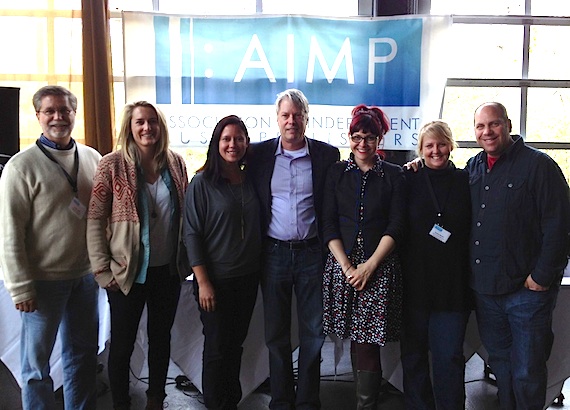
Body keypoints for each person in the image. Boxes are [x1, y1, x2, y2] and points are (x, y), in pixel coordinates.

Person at [0, 85, 101, 409]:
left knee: (82, 358)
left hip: (85, 279)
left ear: (74, 114)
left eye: (65, 110)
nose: (58, 117)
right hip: (42, 284)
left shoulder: (91, 158)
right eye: (50, 111)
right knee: (35, 367)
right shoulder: (20, 167)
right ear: (38, 116)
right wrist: (19, 287)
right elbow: (10, 232)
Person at [466, 102, 570, 410]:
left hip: (527, 294)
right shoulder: (473, 167)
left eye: (494, 124)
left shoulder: (539, 166)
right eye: (481, 126)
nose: (487, 132)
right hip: (486, 290)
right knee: (501, 365)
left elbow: (559, 226)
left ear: (508, 125)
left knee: (527, 371)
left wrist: (541, 277)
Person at [87, 101, 188, 410]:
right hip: (127, 271)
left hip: (166, 271)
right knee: (122, 345)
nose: (147, 128)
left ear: (161, 127)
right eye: (140, 122)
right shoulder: (111, 164)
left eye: (153, 122)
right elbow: (94, 219)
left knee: (160, 341)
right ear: (129, 127)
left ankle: (156, 398)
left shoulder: (176, 163)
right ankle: (121, 403)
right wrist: (102, 271)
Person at [247, 89, 340, 410]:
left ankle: (308, 400)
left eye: (297, 115)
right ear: (277, 119)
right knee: (276, 334)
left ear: (306, 119)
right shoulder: (258, 155)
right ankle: (282, 399)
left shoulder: (328, 156)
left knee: (314, 333)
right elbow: (221, 166)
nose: (291, 121)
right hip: (272, 254)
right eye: (285, 115)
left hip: (312, 255)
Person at [321, 104, 405, 410]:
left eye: (369, 137)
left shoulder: (394, 175)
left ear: (380, 138)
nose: (362, 143)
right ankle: (362, 398)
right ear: (349, 137)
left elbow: (397, 224)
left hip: (378, 268)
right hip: (342, 265)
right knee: (354, 337)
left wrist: (369, 266)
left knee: (368, 340)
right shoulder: (336, 173)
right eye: (356, 136)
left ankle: (366, 405)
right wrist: (347, 267)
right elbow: (327, 222)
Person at [183, 115, 261, 410]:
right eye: (226, 139)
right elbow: (191, 234)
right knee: (217, 349)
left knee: (235, 347)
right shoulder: (201, 183)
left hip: (247, 278)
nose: (233, 145)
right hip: (214, 281)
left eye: (239, 139)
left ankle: (231, 402)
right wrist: (203, 282)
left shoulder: (250, 179)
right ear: (216, 144)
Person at [400, 120, 472, 409]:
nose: (436, 150)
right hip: (414, 285)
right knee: (414, 358)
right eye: (429, 146)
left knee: (449, 358)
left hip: (452, 288)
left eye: (441, 144)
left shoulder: (467, 180)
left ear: (451, 145)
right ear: (420, 150)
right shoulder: (409, 179)